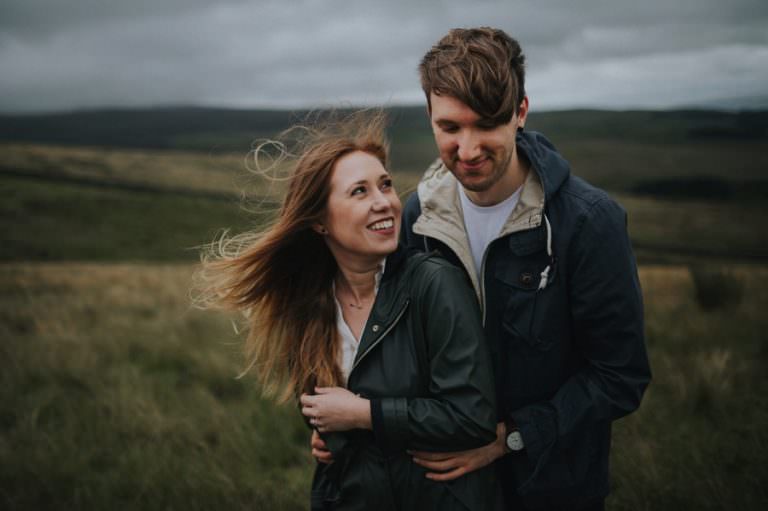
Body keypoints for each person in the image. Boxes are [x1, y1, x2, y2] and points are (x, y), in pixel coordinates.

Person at [314, 28, 652, 510]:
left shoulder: (588, 223)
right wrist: (345, 432)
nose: (468, 150)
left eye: (487, 124)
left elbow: (620, 377)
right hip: (443, 490)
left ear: (520, 112)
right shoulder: (418, 219)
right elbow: (401, 354)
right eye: (450, 127)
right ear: (429, 116)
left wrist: (508, 437)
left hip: (552, 489)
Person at [196, 111, 498, 511]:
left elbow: (471, 417)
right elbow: (323, 413)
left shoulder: (432, 282)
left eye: (385, 185)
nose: (384, 203)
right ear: (320, 221)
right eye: (359, 192)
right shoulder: (308, 302)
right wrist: (330, 434)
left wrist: (363, 414)